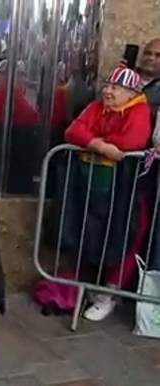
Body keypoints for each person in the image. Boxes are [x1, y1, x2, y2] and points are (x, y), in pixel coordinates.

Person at [64, 66, 151, 321]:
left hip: (124, 187)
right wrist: (100, 144)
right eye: (107, 86)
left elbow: (131, 142)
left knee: (121, 233)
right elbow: (73, 131)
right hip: (93, 183)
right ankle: (90, 287)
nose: (107, 91)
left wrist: (91, 138)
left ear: (131, 93)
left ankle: (109, 293)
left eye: (115, 88)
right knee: (91, 231)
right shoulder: (96, 107)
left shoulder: (140, 110)